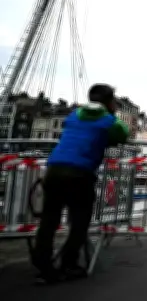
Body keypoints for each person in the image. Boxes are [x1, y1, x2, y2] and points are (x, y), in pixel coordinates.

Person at [32, 83, 130, 284]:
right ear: (110, 102)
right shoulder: (109, 120)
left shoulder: (74, 115)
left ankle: (43, 266)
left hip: (54, 169)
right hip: (80, 172)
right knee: (79, 221)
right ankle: (69, 264)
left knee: (49, 221)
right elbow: (122, 135)